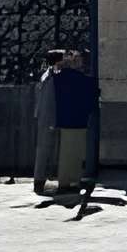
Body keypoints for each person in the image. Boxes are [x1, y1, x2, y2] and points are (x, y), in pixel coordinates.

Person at [49, 50, 98, 197]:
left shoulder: (58, 79)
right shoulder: (83, 79)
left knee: (65, 153)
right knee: (77, 153)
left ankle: (64, 182)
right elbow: (92, 97)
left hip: (64, 119)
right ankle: (74, 181)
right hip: (80, 119)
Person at [29, 49, 68, 196]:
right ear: (58, 61)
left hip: (45, 118)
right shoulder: (51, 79)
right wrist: (52, 121)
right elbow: (49, 101)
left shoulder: (47, 75)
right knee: (45, 150)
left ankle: (41, 180)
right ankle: (39, 181)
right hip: (49, 119)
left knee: (45, 150)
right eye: (63, 58)